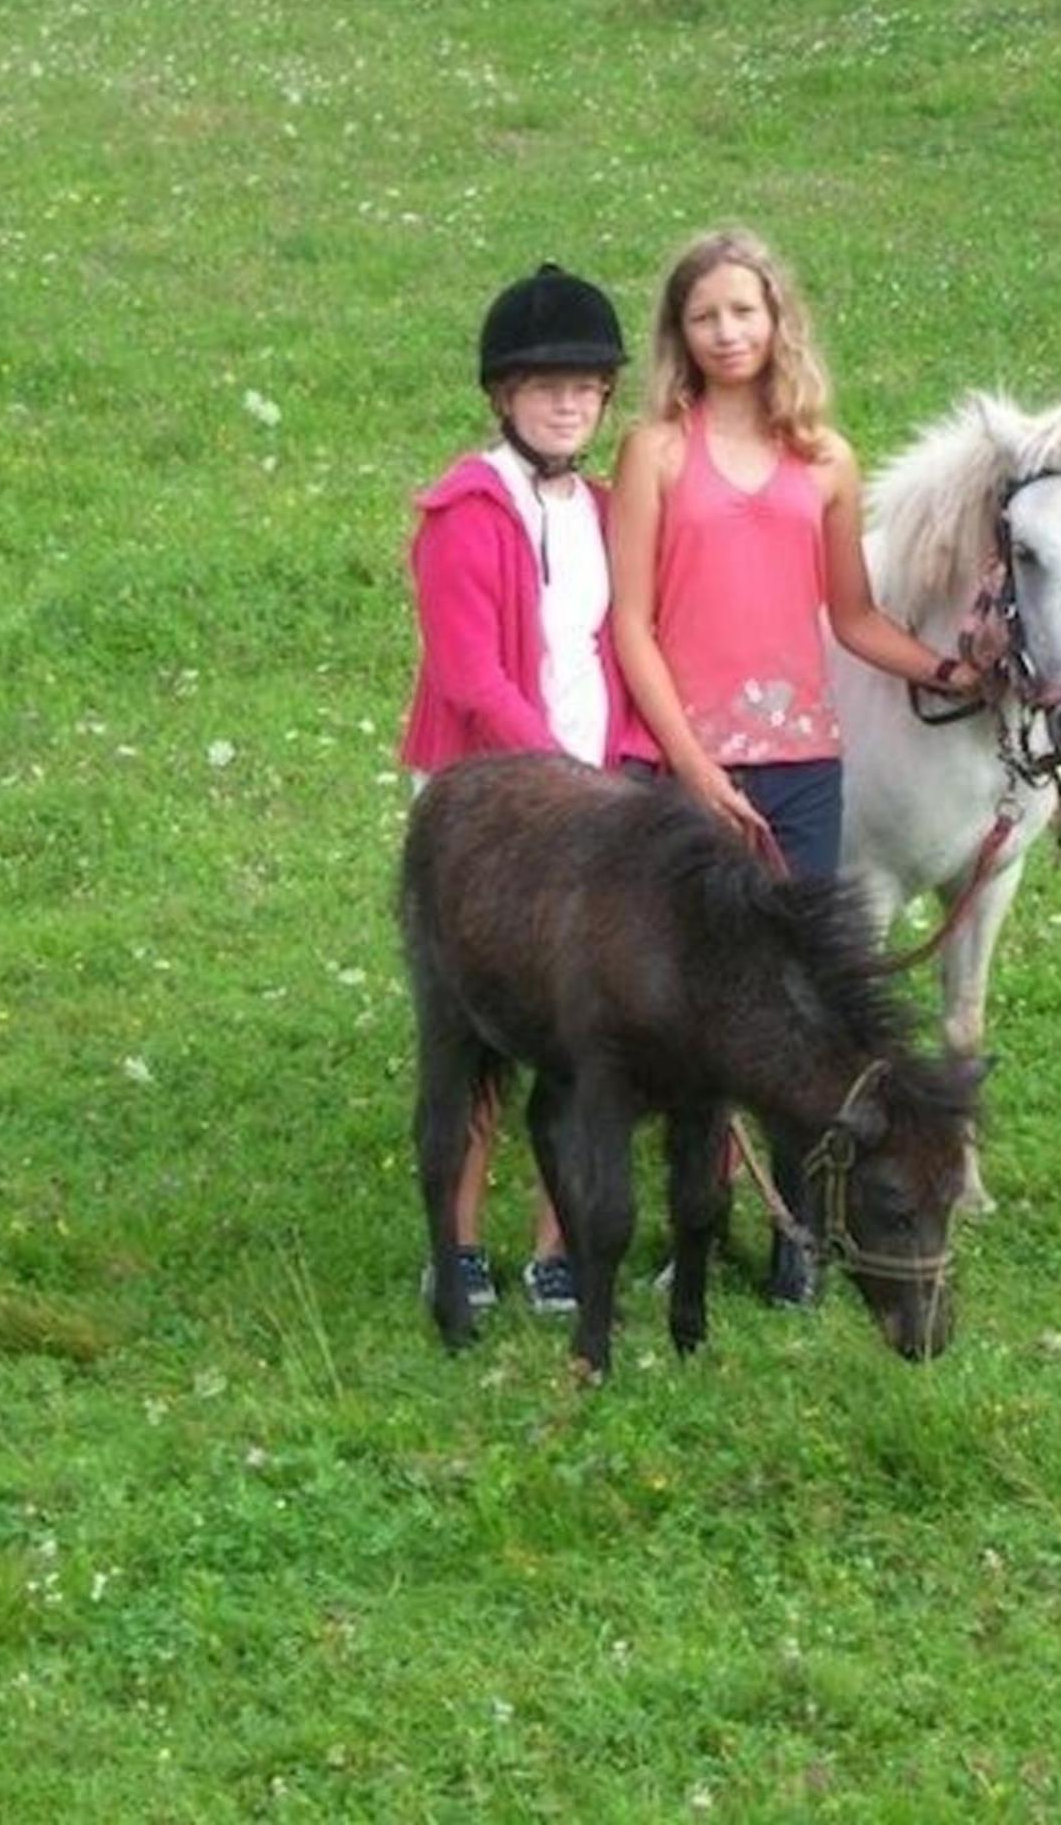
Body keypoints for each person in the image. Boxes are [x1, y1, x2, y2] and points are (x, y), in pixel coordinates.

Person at [610, 226, 980, 1297]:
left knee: (801, 1010)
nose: (728, 332)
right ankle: (693, 1224)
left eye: (745, 311)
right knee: (688, 1003)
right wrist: (690, 763)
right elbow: (631, 622)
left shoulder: (826, 459)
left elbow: (854, 616)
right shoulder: (657, 453)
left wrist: (953, 672)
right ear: (679, 333)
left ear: (779, 321)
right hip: (682, 769)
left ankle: (801, 1232)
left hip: (803, 766)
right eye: (704, 315)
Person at [400, 262, 630, 1319]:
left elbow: (621, 647)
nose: (569, 401)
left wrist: (623, 770)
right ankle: (454, 1243)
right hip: (494, 804)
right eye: (546, 385)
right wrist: (559, 782)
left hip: (594, 795)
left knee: (582, 1029)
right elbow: (470, 676)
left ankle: (555, 1241)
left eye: (586, 385)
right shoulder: (464, 509)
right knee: (478, 1028)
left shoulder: (607, 509)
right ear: (503, 394)